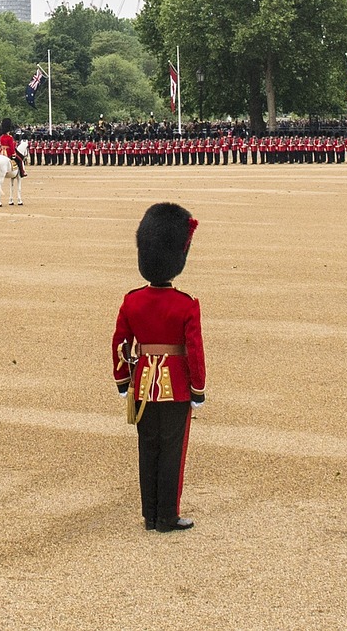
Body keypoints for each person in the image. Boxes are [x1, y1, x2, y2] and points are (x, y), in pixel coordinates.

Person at [111, 202, 206, 532]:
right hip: (176, 386)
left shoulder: (131, 300)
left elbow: (121, 344)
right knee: (172, 452)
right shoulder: (186, 304)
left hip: (142, 385)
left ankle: (150, 515)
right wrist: (198, 389)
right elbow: (194, 351)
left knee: (148, 448)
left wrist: (123, 380)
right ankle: (168, 515)